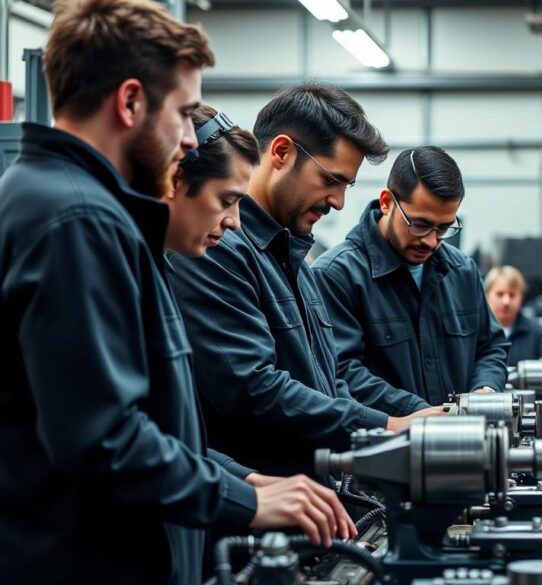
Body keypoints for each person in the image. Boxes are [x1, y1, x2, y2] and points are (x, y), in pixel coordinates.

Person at [0, 3, 351, 583]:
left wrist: (241, 479)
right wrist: (249, 503)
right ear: (131, 101)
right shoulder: (77, 220)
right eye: (185, 114)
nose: (190, 138)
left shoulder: (59, 201)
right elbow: (104, 441)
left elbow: (141, 422)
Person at [168, 83, 409, 477]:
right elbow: (251, 388)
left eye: (346, 186)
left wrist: (393, 423)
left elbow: (327, 384)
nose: (339, 201)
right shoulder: (214, 246)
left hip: (311, 501)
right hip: (255, 513)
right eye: (331, 179)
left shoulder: (295, 256)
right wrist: (384, 426)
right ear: (281, 153)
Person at [311, 147, 509, 417]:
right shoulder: (336, 277)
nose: (430, 241)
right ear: (386, 202)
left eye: (444, 228)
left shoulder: (462, 271)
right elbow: (341, 372)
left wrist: (485, 391)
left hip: (465, 445)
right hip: (383, 451)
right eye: (419, 224)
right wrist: (422, 415)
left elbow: (491, 347)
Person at [485, 265, 542, 363]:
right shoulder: (476, 331)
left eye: (512, 295)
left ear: (521, 297)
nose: (506, 301)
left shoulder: (538, 332)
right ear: (486, 296)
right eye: (500, 294)